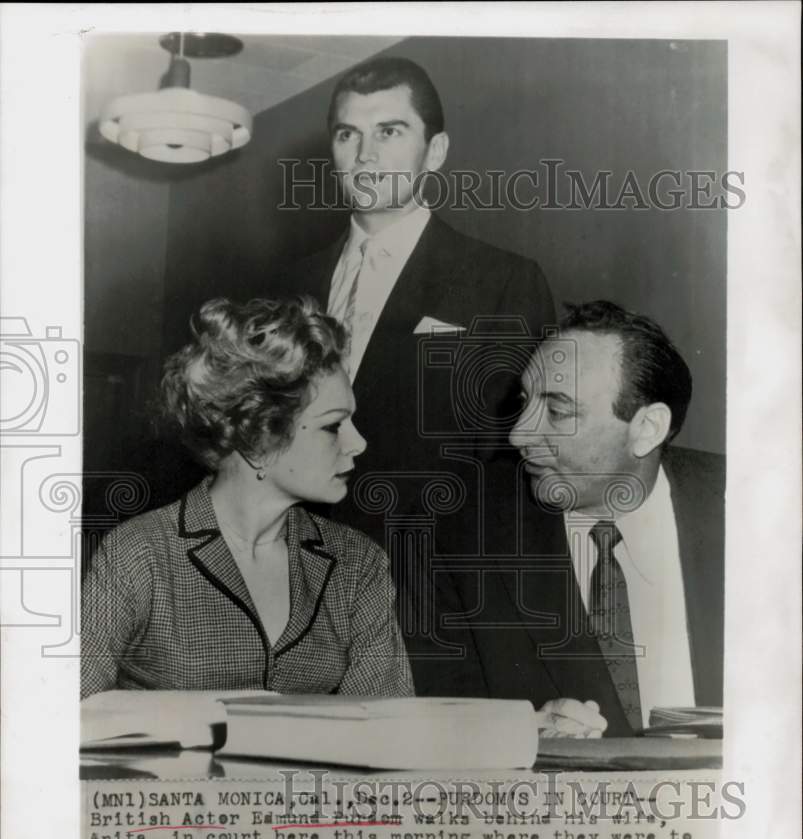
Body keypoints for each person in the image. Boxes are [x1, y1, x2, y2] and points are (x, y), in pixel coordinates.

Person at [80, 296, 413, 699]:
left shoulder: (358, 565)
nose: (357, 443)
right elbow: (61, 725)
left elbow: (387, 731)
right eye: (333, 426)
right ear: (258, 435)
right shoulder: (139, 555)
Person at [282, 56, 555, 546]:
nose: (365, 155)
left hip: (424, 576)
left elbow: (505, 463)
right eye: (348, 134)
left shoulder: (503, 282)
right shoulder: (287, 284)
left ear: (435, 151)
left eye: (389, 132)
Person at [419, 301, 725, 737]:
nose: (518, 434)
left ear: (647, 428)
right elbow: (435, 726)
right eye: (525, 401)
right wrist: (517, 736)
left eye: (558, 411)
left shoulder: (755, 507)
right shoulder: (459, 534)